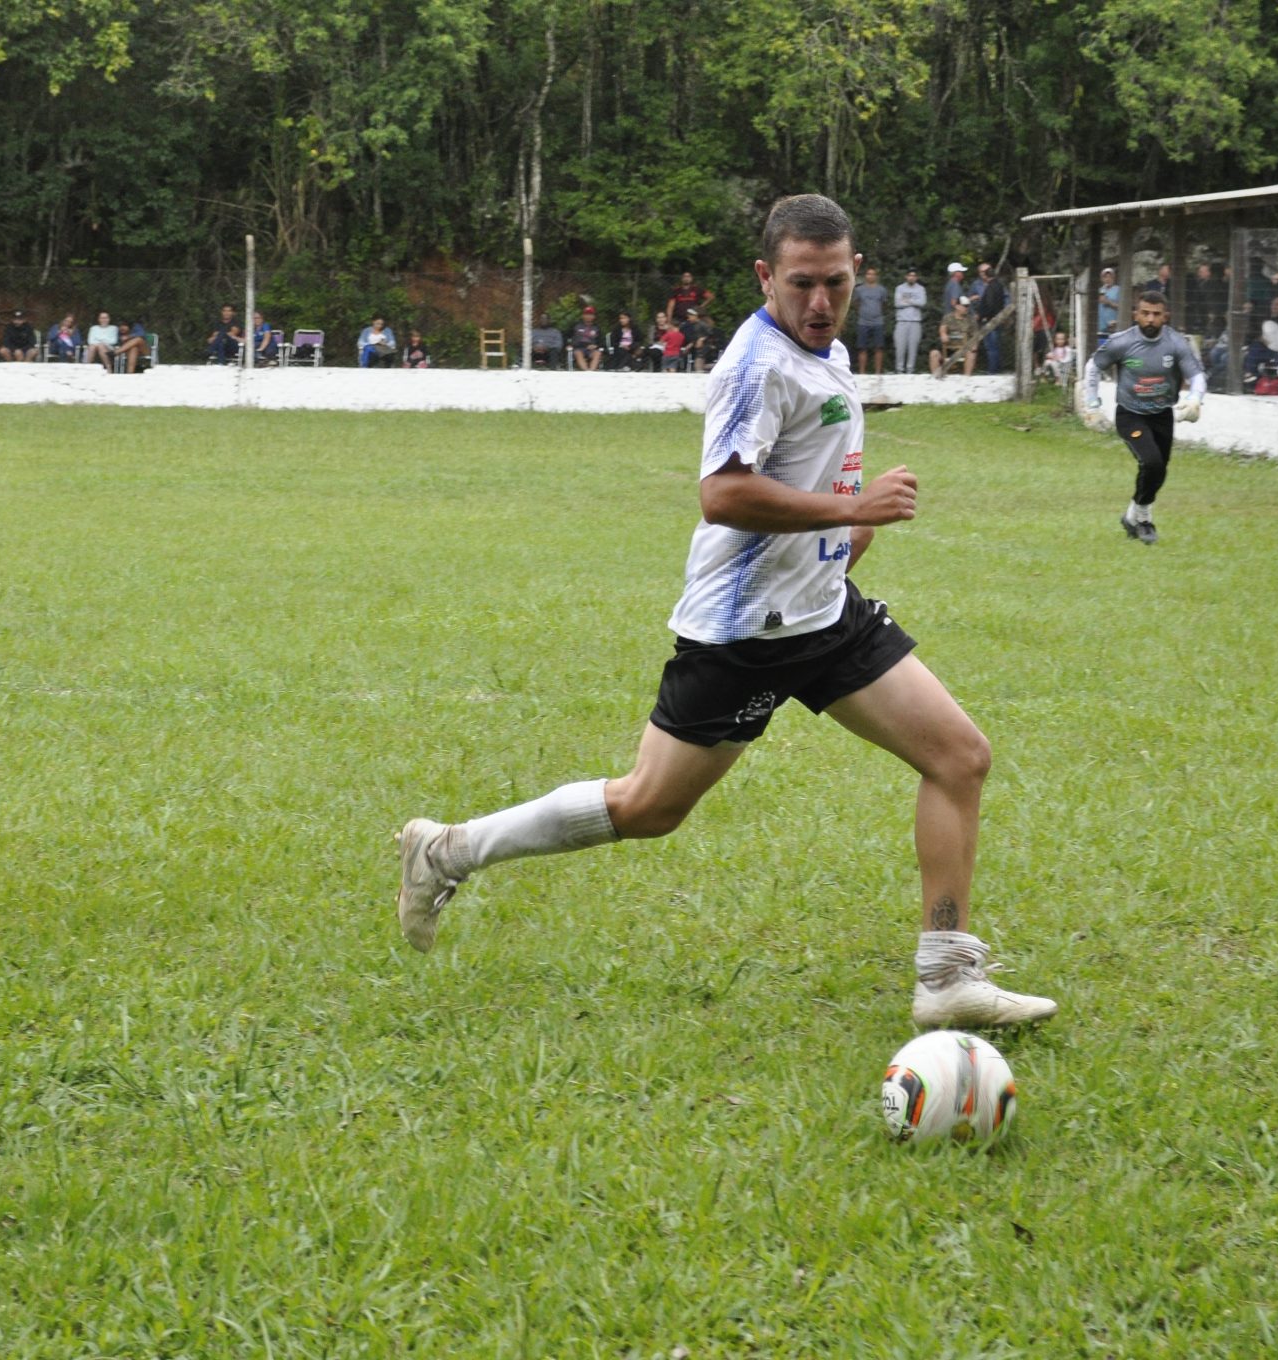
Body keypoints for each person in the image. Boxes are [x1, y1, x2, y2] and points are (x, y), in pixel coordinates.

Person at [392, 193, 1056, 1031]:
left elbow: (812, 467)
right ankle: (447, 849)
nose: (821, 302)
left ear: (858, 272)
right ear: (764, 277)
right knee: (649, 808)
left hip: (823, 615)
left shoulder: (826, 349)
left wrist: (843, 539)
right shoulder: (754, 367)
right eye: (802, 283)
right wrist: (852, 511)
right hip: (746, 635)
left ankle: (947, 976)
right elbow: (724, 493)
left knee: (960, 757)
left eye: (837, 283)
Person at [1083, 289, 1205, 545]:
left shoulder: (1176, 343)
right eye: (1145, 313)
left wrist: (1195, 399)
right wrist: (1092, 405)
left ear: (1165, 317)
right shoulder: (1121, 342)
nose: (1150, 319)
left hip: (1162, 414)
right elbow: (1093, 367)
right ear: (1135, 314)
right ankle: (1145, 520)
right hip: (1130, 415)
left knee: (1159, 470)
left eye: (1156, 314)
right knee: (1151, 462)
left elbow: (1196, 375)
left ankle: (1131, 517)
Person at [851, 266, 888, 375]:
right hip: (863, 322)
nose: (870, 276)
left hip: (878, 322)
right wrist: (862, 312)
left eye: (873, 274)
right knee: (862, 348)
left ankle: (878, 372)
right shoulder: (859, 289)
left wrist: (877, 312)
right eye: (868, 274)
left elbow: (884, 304)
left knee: (879, 347)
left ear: (876, 276)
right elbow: (855, 303)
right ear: (865, 276)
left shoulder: (882, 290)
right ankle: (862, 372)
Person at [929, 295, 975, 377]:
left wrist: (974, 346)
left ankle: (967, 378)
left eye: (968, 306)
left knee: (971, 353)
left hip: (964, 350)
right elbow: (942, 329)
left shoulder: (971, 319)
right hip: (949, 349)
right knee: (934, 353)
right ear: (957, 306)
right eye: (965, 306)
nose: (967, 308)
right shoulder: (948, 317)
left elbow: (975, 336)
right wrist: (943, 334)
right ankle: (935, 378)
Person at [975, 265, 1009, 373]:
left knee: (991, 346)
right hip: (997, 318)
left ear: (985, 275)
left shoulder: (990, 287)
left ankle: (992, 370)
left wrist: (983, 316)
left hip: (990, 320)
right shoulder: (999, 285)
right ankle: (997, 368)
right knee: (996, 345)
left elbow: (989, 304)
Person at [892, 267, 926, 374]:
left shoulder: (920, 289)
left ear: (916, 277)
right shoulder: (900, 288)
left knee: (913, 347)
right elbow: (898, 303)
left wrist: (908, 301)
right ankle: (899, 369)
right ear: (906, 277)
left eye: (914, 276)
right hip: (901, 321)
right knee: (900, 347)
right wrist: (914, 302)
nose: (911, 277)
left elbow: (922, 303)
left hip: (915, 322)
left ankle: (910, 370)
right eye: (910, 275)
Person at [679, 307, 715, 371]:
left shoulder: (703, 324)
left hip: (704, 348)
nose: (688, 319)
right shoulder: (693, 325)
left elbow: (710, 334)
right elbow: (695, 337)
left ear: (695, 316)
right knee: (698, 366)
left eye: (690, 317)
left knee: (697, 366)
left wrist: (702, 339)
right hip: (698, 349)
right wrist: (691, 344)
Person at [569, 305, 602, 371]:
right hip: (579, 348)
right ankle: (586, 371)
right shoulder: (576, 326)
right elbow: (567, 336)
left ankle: (591, 371)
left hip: (591, 349)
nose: (588, 316)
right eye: (586, 314)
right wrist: (568, 344)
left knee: (597, 353)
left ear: (594, 316)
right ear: (583, 316)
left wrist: (596, 346)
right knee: (578, 353)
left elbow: (601, 341)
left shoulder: (597, 328)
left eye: (590, 314)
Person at [1097, 267, 1119, 338]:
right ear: (1102, 279)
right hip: (1101, 325)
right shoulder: (1099, 291)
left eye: (1110, 277)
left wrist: (1109, 302)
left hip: (1113, 325)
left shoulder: (1118, 290)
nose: (1108, 279)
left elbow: (1123, 307)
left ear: (1114, 278)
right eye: (1105, 277)